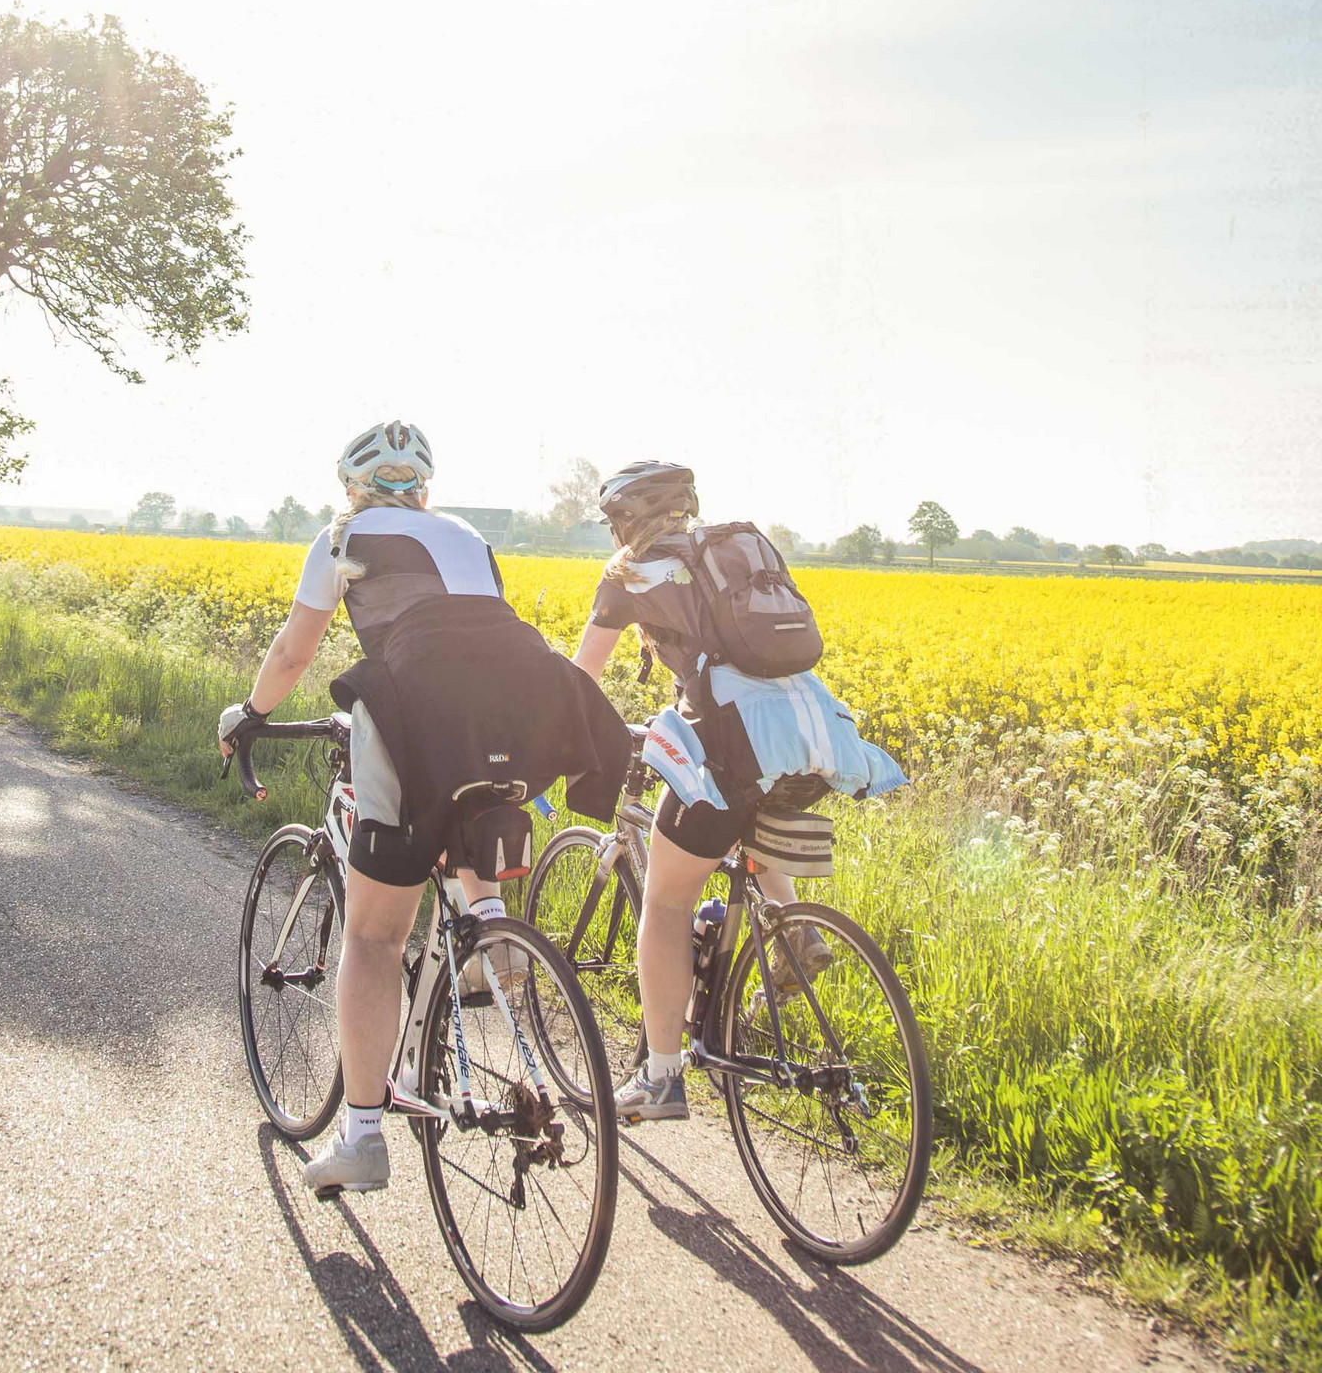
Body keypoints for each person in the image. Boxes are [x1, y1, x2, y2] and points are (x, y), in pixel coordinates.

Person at [219, 420, 630, 1194]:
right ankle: (491, 943)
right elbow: (476, 639)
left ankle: (363, 1137)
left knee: (376, 936)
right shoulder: (468, 537)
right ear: (425, 488)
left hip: (419, 701)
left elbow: (294, 652)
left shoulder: (343, 535)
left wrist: (250, 712)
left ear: (352, 489)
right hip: (529, 697)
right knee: (472, 806)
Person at [568, 460, 905, 1123]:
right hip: (811, 736)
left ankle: (663, 1079)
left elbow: (583, 676)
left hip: (729, 739)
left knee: (665, 905)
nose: (612, 537)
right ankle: (788, 926)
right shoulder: (733, 552)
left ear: (629, 521)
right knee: (748, 811)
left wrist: (558, 738)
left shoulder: (632, 573)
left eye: (613, 523)